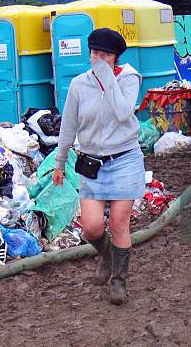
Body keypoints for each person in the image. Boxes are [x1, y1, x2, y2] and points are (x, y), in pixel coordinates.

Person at [52, 28, 145, 305]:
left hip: (125, 158)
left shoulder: (129, 79)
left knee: (118, 222)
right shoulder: (80, 84)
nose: (97, 59)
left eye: (104, 54)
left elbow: (122, 112)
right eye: (94, 53)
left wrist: (107, 77)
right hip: (92, 161)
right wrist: (59, 162)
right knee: (91, 228)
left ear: (116, 57)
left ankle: (119, 280)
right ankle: (105, 253)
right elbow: (68, 124)